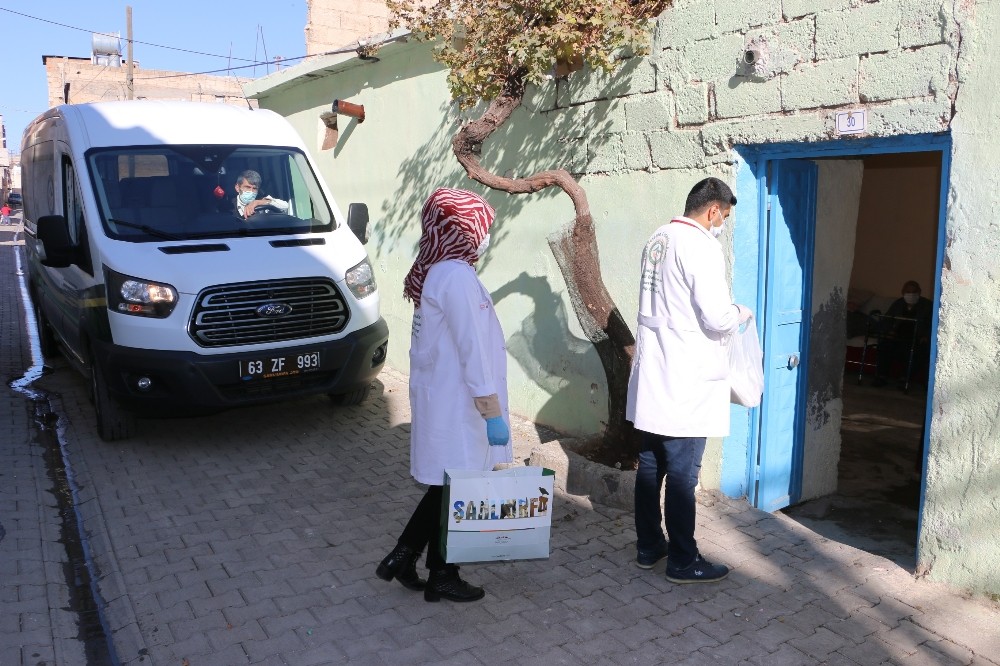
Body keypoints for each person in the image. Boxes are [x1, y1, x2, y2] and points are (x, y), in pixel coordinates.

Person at [376, 187, 512, 603]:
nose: (485, 235)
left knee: (447, 489)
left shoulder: (439, 272)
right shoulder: (454, 275)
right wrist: (491, 410)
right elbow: (472, 347)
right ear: (462, 229)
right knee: (455, 490)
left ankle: (407, 558)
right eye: (482, 227)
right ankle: (439, 573)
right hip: (462, 406)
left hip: (448, 399)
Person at [626, 177, 752, 584]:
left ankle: (649, 546)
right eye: (724, 218)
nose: (722, 226)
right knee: (682, 473)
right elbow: (716, 317)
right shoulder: (700, 245)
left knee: (650, 464)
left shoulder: (658, 238)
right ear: (713, 210)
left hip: (656, 372)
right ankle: (683, 559)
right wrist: (740, 312)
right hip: (687, 378)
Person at [872, 280, 933, 387]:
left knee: (919, 350)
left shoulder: (927, 305)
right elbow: (887, 320)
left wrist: (925, 336)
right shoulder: (898, 303)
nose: (911, 294)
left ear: (919, 292)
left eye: (914, 292)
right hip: (897, 336)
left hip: (916, 337)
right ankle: (881, 377)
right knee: (884, 345)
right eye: (908, 292)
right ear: (903, 292)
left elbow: (932, 324)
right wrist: (889, 331)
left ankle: (905, 379)